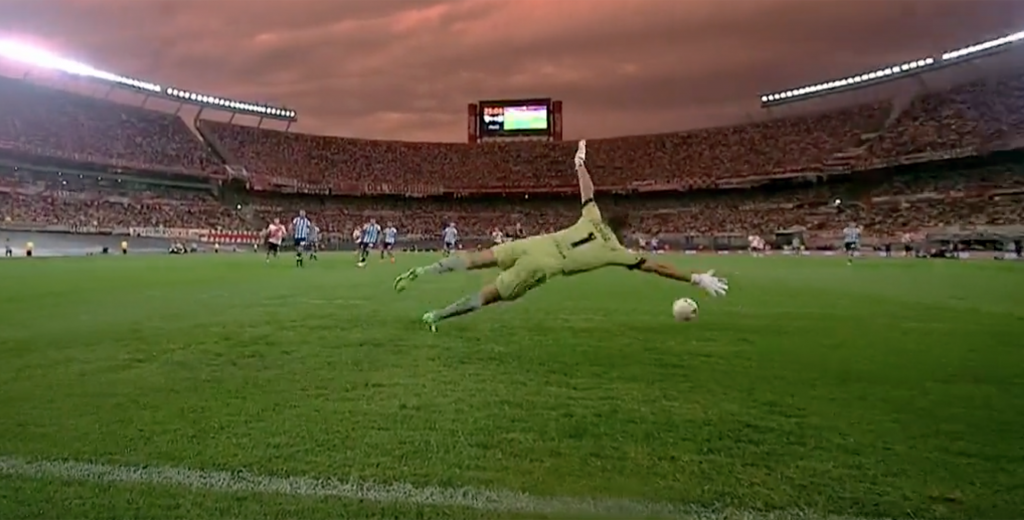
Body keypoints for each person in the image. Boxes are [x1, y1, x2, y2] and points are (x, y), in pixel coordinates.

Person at [394, 140, 729, 331]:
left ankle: (423, 271)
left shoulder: (591, 215)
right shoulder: (618, 252)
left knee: (477, 259)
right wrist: (695, 278)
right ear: (623, 232)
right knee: (489, 294)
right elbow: (657, 267)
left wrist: (579, 163)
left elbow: (588, 191)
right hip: (545, 264)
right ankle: (437, 315)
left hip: (537, 242)